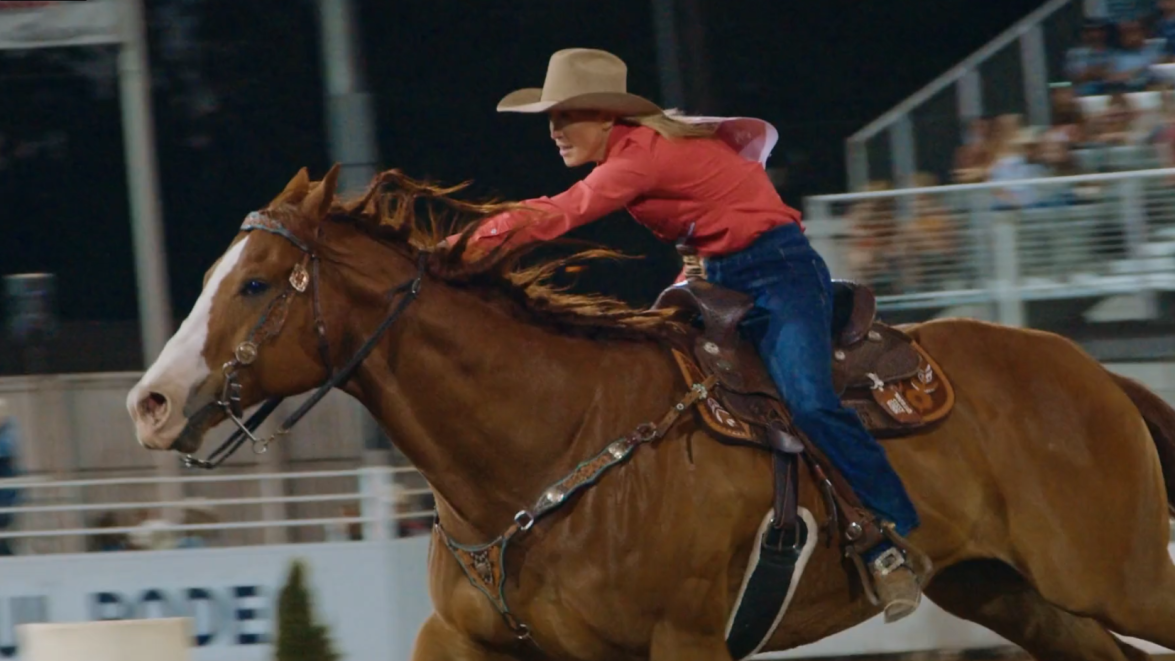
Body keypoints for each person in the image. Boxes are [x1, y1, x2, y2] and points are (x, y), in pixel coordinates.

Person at [446, 48, 925, 622]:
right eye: (550, 120)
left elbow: (561, 213)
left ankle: (888, 536)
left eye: (564, 117)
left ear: (604, 116)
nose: (554, 132)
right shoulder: (641, 148)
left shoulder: (640, 157)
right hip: (714, 273)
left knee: (810, 401)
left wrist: (459, 248)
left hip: (781, 274)